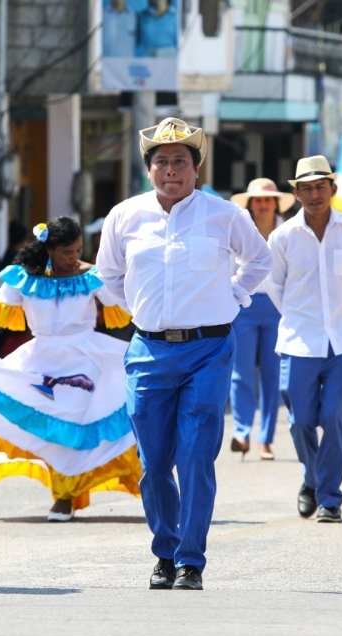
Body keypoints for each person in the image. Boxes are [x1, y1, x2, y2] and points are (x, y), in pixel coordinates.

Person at [97, 117, 271, 591]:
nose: (170, 170)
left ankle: (190, 560)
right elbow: (109, 277)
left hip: (209, 350)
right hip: (148, 350)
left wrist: (234, 296)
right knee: (154, 464)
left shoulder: (225, 215)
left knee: (196, 457)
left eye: (180, 162)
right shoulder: (124, 216)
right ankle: (165, 551)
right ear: (148, 170)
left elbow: (260, 260)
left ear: (196, 169)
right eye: (161, 162)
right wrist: (140, 310)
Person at [0, 216, 140, 522]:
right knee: (52, 429)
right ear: (49, 249)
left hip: (87, 357)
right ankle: (63, 494)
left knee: (78, 421)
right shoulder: (23, 278)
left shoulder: (92, 276)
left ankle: (67, 496)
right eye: (67, 252)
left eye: (78, 250)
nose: (74, 257)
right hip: (40, 359)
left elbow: (131, 307)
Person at [267, 156, 342, 522]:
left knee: (334, 418)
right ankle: (311, 478)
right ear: (295, 193)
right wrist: (304, 317)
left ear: (333, 189)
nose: (314, 194)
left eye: (321, 186)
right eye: (306, 188)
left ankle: (330, 497)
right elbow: (275, 288)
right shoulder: (283, 236)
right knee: (301, 420)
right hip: (299, 340)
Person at [227, 178, 294, 461]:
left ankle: (265, 439)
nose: (263, 205)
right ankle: (242, 433)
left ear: (276, 203)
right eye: (257, 200)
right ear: (250, 204)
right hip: (244, 306)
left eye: (267, 199)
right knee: (240, 372)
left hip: (278, 308)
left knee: (271, 375)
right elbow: (228, 268)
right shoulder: (239, 229)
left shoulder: (289, 231)